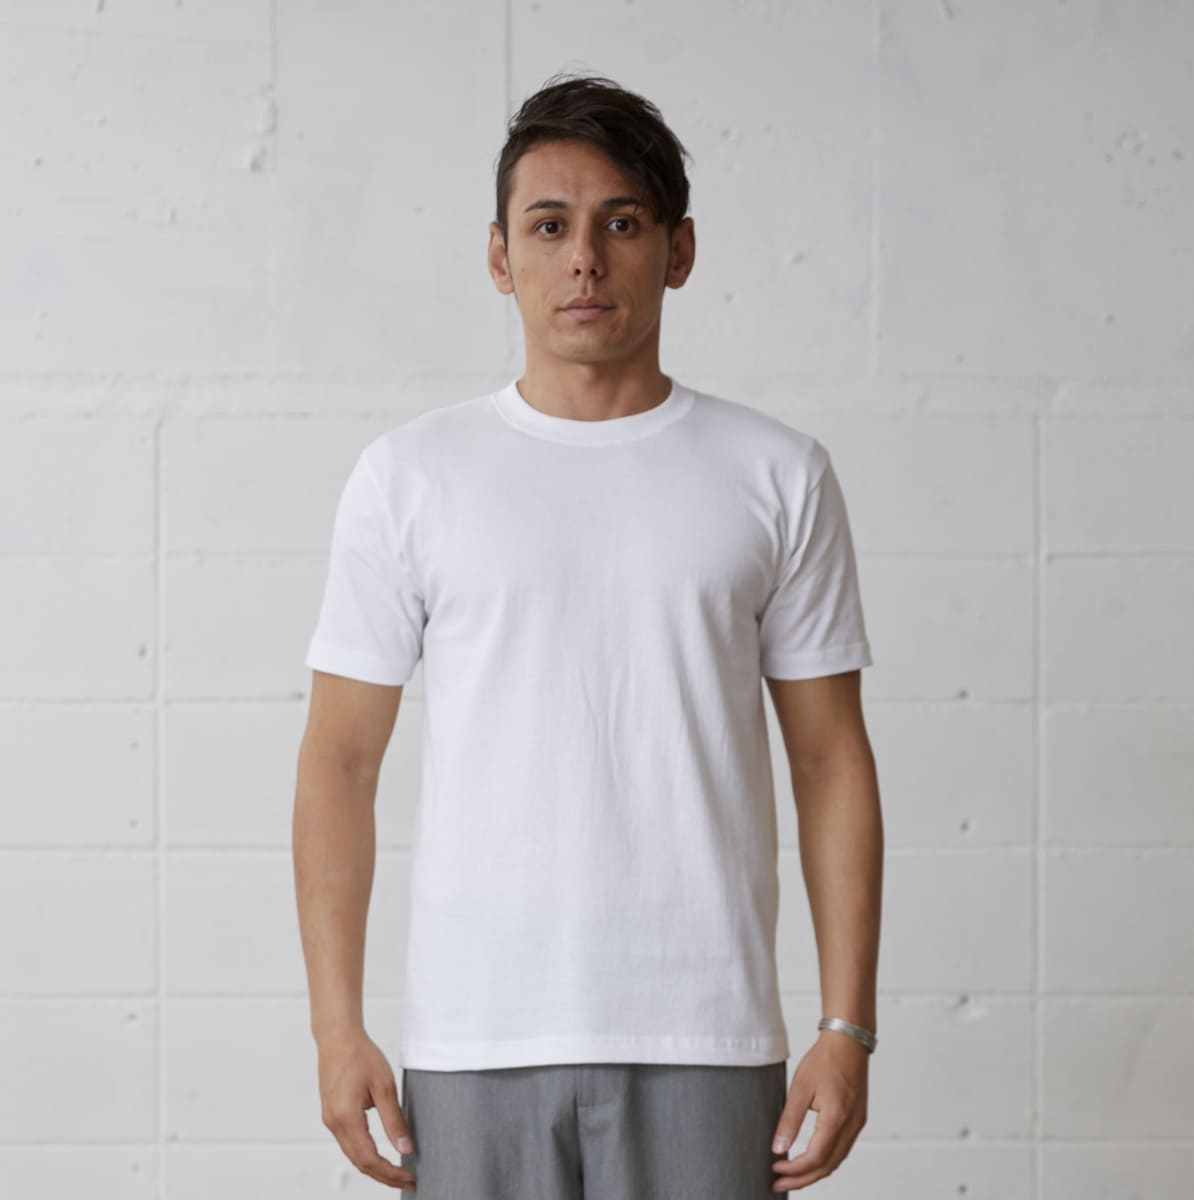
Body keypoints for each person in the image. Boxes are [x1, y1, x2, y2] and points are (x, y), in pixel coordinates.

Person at [293, 71, 883, 1197]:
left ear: (679, 249)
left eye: (621, 223)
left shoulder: (777, 474)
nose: (584, 261)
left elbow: (830, 759)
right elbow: (339, 761)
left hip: (708, 1033)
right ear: (498, 256)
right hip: (475, 1037)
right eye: (549, 226)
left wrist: (846, 1026)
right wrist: (336, 1028)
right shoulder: (409, 477)